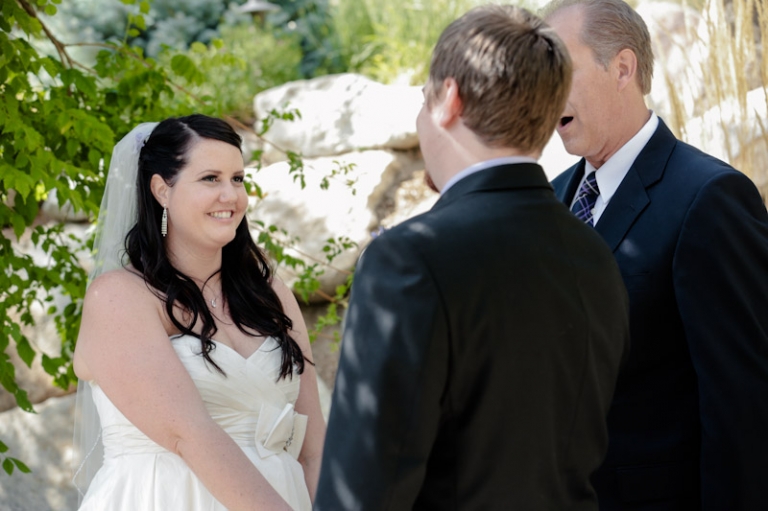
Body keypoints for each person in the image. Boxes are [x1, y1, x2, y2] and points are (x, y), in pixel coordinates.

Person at [314, 5, 630, 510]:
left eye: (424, 100)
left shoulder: (409, 258)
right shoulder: (594, 254)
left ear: (448, 101)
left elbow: (363, 489)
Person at [542, 0, 768, 509]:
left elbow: (744, 409)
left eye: (559, 69)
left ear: (623, 68)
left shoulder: (710, 198)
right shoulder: (548, 199)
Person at [71, 114, 326, 511]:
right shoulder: (119, 297)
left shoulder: (270, 293)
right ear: (162, 190)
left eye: (238, 179)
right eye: (211, 179)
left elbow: (314, 450)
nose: (231, 195)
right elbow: (189, 435)